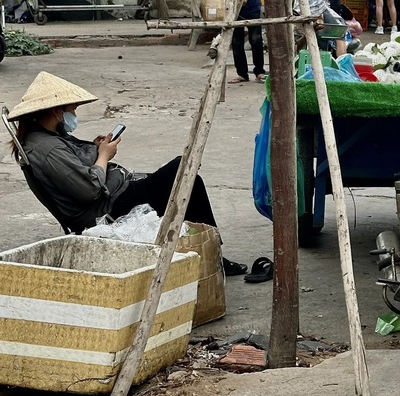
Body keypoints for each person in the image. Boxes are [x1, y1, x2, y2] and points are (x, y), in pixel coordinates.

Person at [8, 72, 247, 274]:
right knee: (182, 173)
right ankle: (213, 256)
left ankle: (208, 252)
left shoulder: (47, 135)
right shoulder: (47, 149)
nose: (75, 114)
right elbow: (88, 190)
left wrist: (96, 147)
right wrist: (103, 156)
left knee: (182, 175)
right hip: (105, 209)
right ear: (56, 111)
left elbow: (74, 162)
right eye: (73, 109)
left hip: (113, 194)